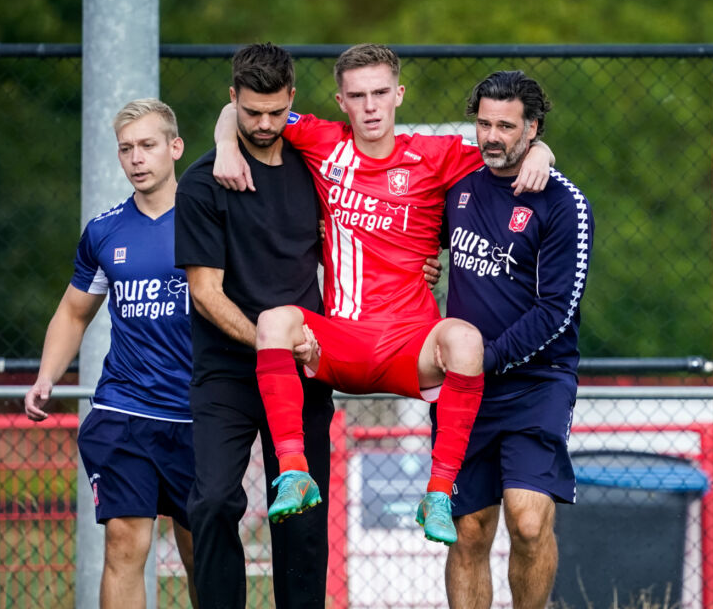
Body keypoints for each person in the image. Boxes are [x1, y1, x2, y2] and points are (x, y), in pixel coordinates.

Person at [212, 44, 554, 547]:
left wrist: (543, 151)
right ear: (340, 101)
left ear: (398, 94)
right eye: (356, 95)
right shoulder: (320, 140)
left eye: (378, 93)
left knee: (465, 339)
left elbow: (507, 151)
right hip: (338, 342)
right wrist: (224, 144)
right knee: (273, 322)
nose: (369, 106)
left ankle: (439, 492)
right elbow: (241, 108)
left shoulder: (435, 156)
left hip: (408, 348)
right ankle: (292, 471)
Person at [24, 98, 213, 609]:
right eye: (127, 149)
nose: (136, 159)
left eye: (148, 146)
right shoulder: (105, 231)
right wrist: (48, 377)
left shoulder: (212, 220)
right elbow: (74, 311)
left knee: (199, 549)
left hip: (199, 417)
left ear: (175, 148)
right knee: (126, 543)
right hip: (124, 411)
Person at [174, 44, 334, 609]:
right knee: (210, 504)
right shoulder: (205, 181)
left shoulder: (313, 163)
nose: (264, 123)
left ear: (292, 94)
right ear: (232, 96)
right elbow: (206, 293)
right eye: (250, 111)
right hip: (227, 369)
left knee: (300, 521)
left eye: (276, 110)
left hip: (303, 371)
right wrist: (270, 337)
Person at [439, 71, 592, 609]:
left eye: (508, 125)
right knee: (469, 532)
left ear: (534, 129)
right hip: (465, 391)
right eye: (484, 123)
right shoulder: (455, 184)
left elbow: (557, 309)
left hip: (535, 381)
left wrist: (486, 360)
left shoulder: (564, 203)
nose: (493, 136)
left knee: (529, 520)